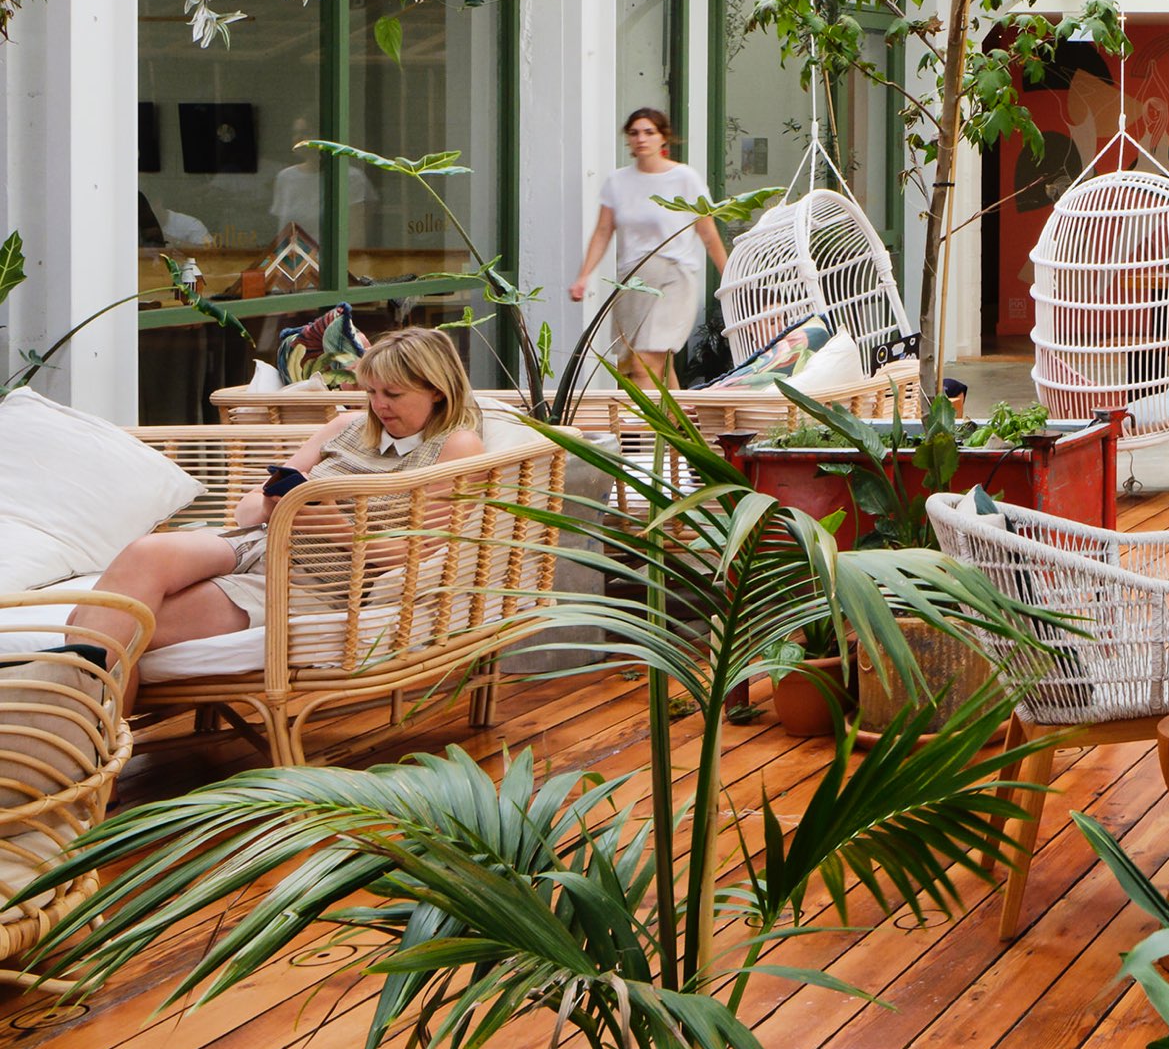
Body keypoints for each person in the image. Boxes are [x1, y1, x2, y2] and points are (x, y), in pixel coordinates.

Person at [72, 325, 490, 695]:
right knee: (144, 556)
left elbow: (424, 550)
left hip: (315, 582)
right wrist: (274, 503)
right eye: (371, 392)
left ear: (436, 389)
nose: (378, 405)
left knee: (116, 627)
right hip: (258, 542)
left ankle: (88, 752)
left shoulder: (456, 446)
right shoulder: (345, 427)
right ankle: (91, 753)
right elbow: (249, 506)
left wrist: (337, 528)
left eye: (393, 394)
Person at [571, 106, 729, 388]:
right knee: (638, 364)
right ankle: (677, 427)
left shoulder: (684, 178)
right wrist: (583, 276)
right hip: (632, 279)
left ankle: (643, 432)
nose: (641, 139)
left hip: (673, 276)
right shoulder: (617, 181)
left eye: (649, 132)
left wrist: (729, 276)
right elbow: (603, 232)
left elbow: (707, 232)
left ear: (663, 138)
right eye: (634, 133)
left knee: (645, 363)